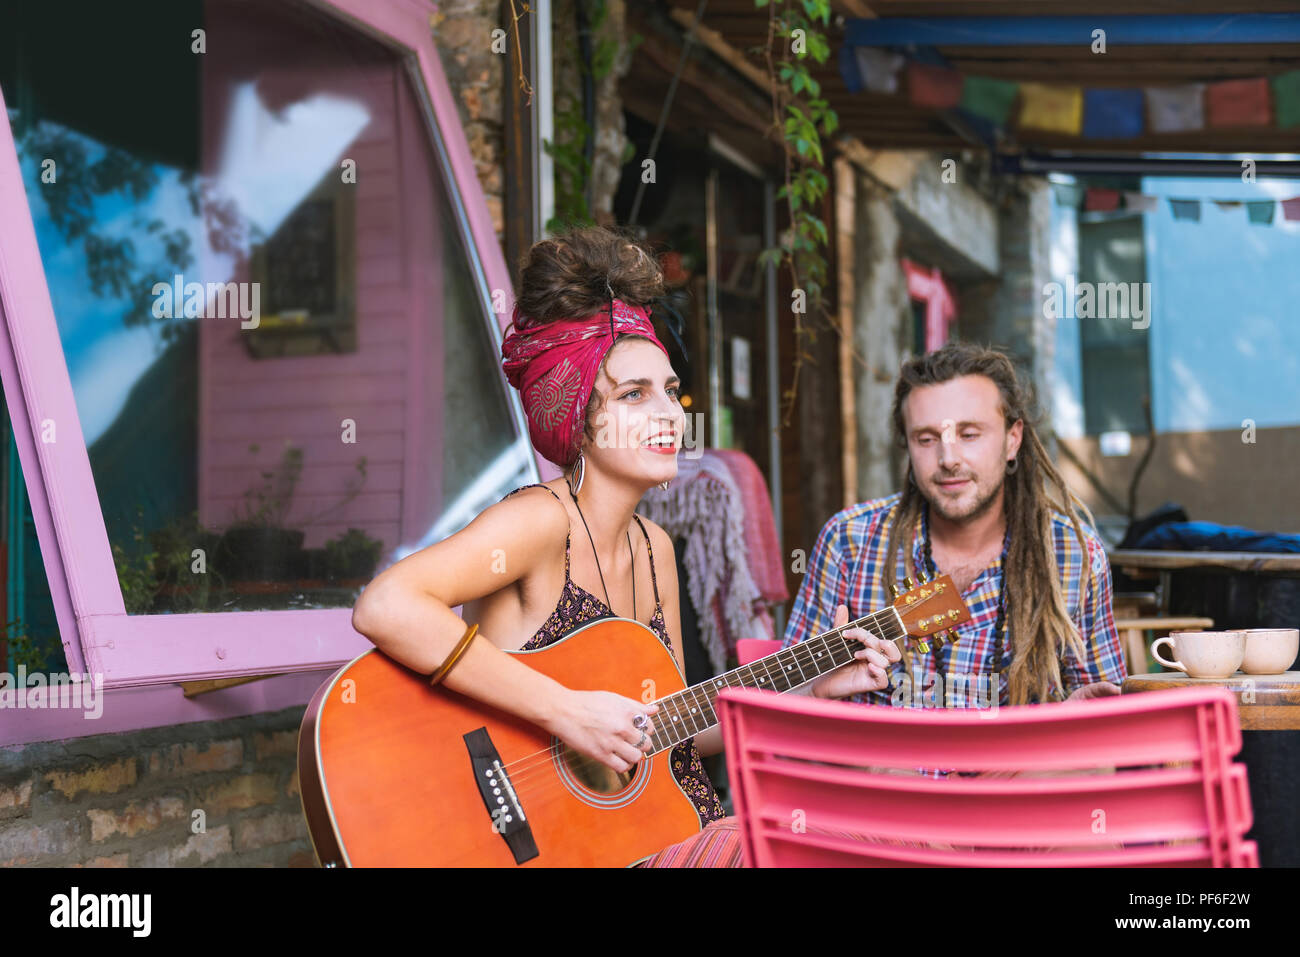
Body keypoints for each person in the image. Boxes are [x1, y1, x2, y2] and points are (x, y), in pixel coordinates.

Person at [350, 225, 889, 866]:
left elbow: (664, 733)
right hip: (525, 842)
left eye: (668, 389)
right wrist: (566, 712)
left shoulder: (656, 548)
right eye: (632, 395)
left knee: (854, 831)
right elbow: (385, 605)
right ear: (576, 416)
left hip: (649, 837)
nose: (667, 412)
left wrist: (808, 693)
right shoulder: (538, 523)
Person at [785, 341, 1127, 711]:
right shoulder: (849, 542)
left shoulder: (1074, 553)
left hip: (1026, 765)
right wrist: (868, 763)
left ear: (1013, 439)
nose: (948, 459)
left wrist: (1055, 745)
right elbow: (782, 703)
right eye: (927, 439)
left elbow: (1105, 714)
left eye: (969, 434)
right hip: (878, 766)